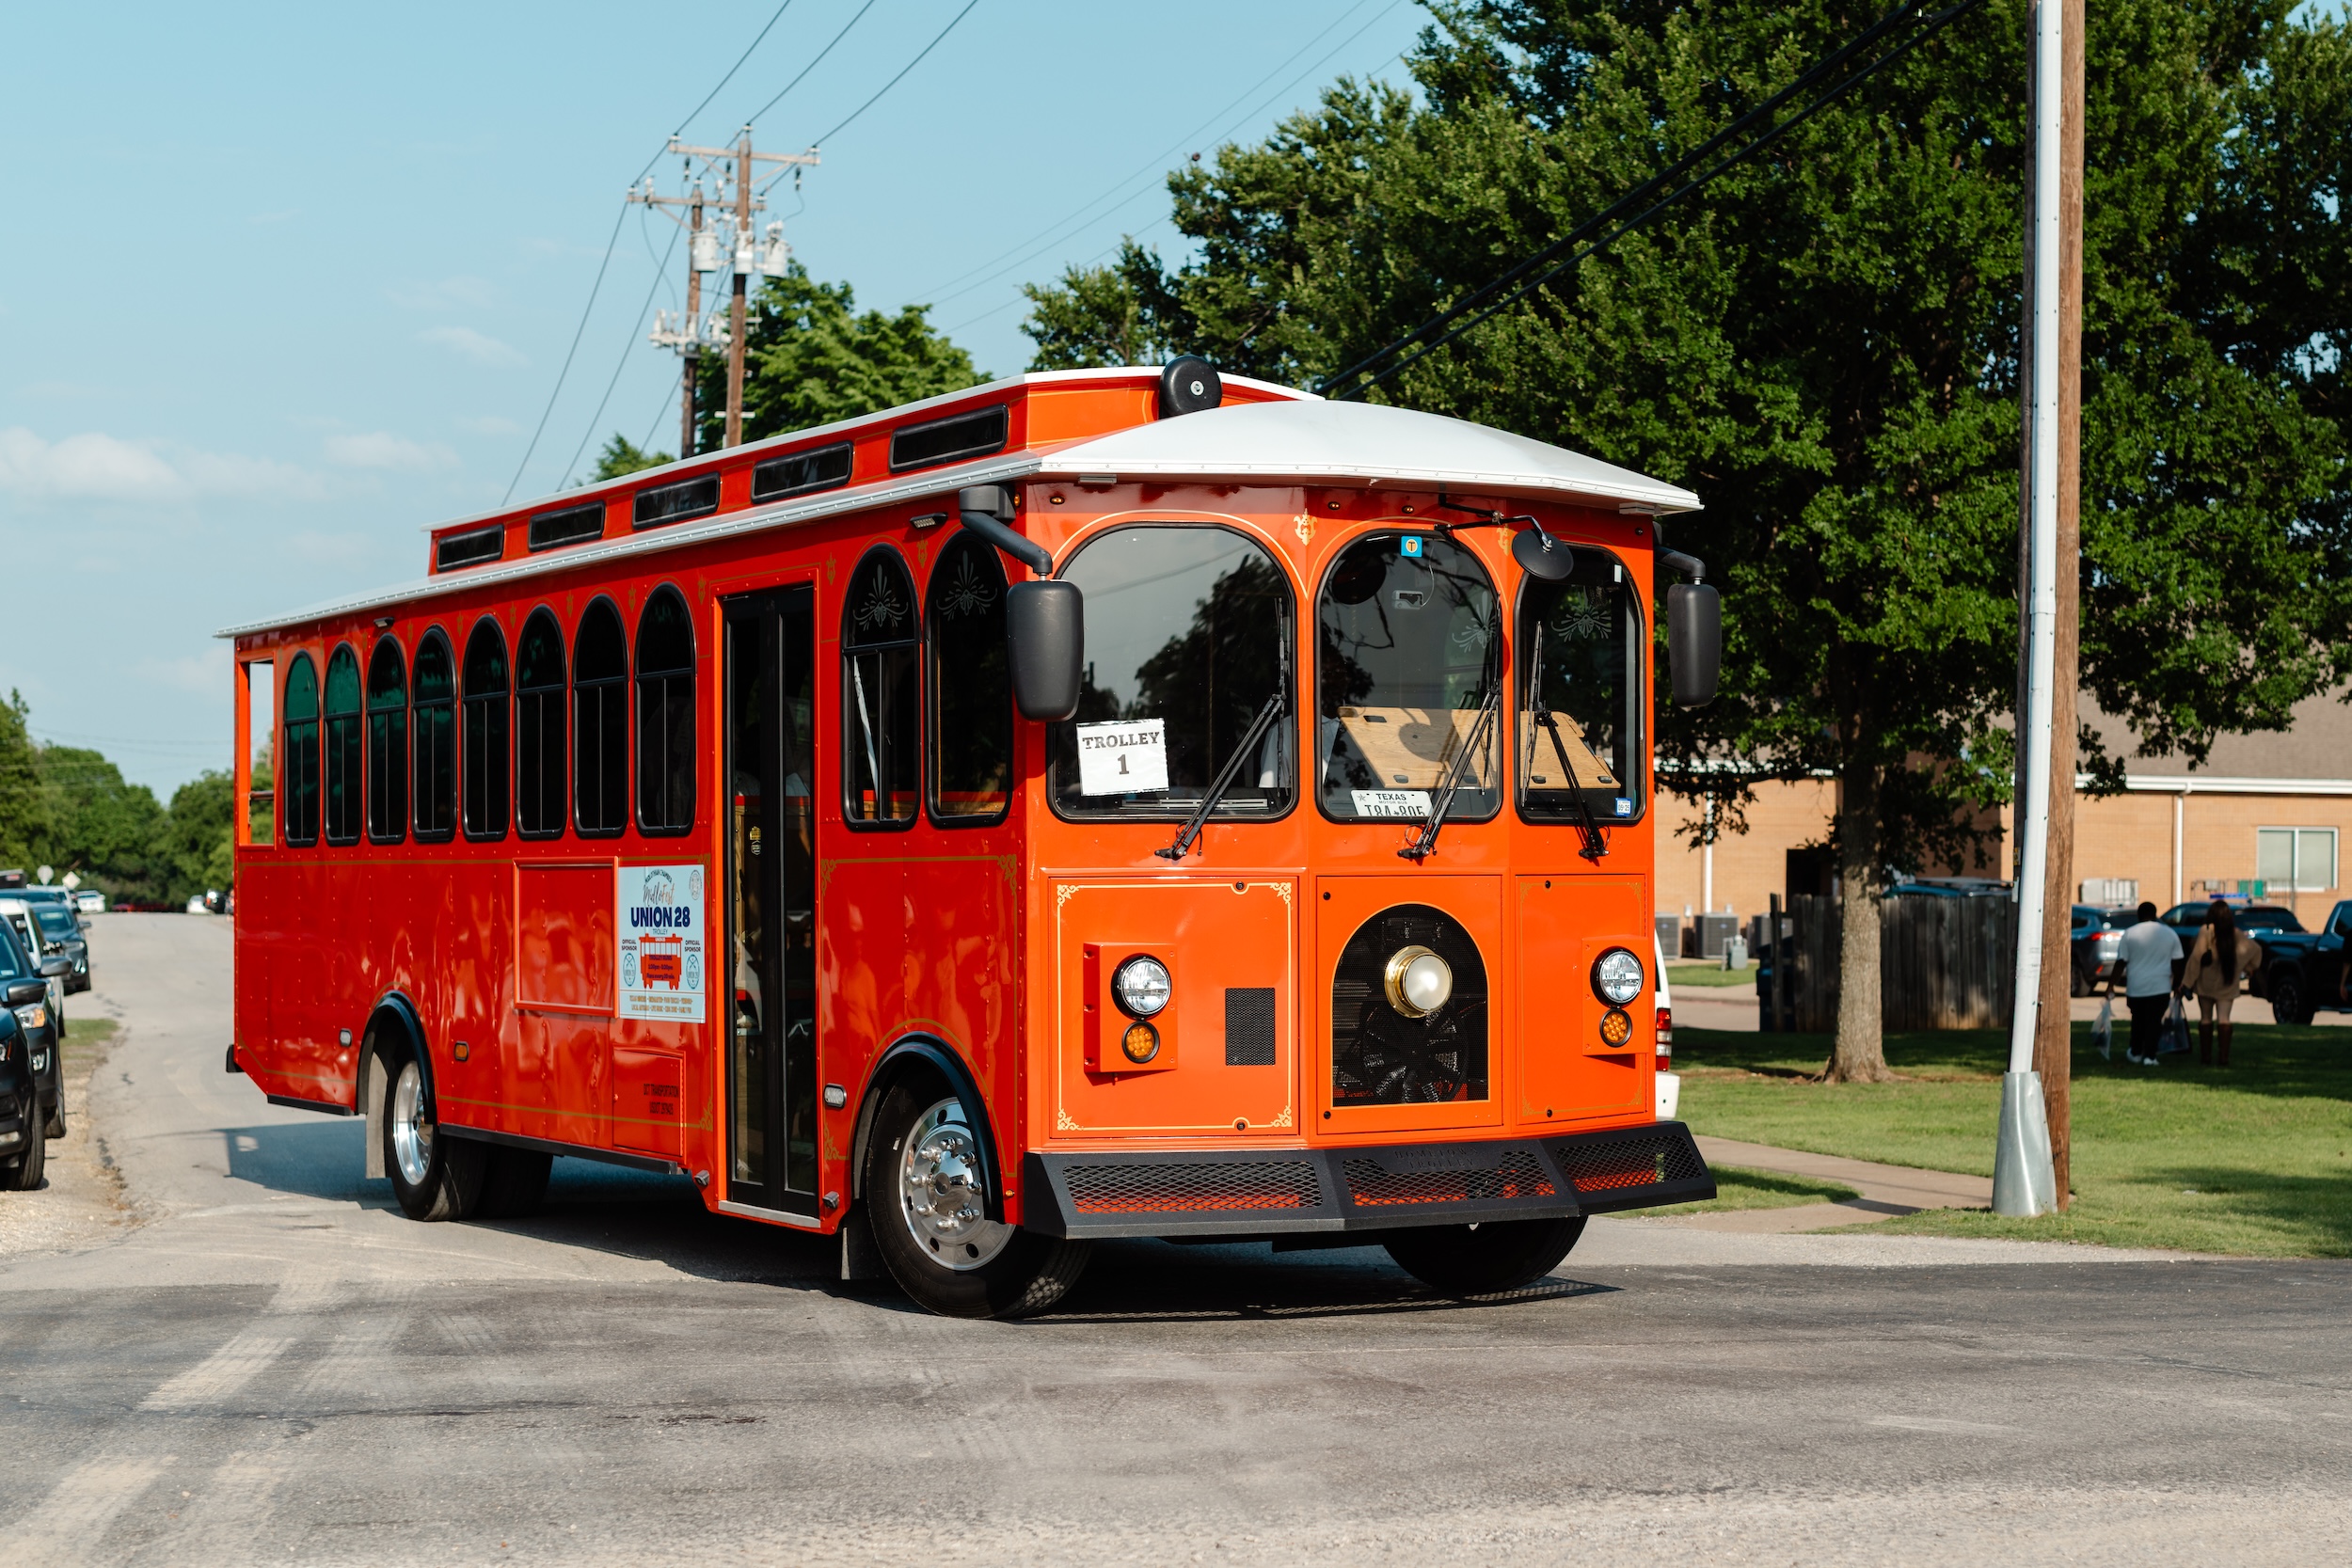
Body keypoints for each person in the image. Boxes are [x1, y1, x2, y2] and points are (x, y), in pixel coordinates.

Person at [2105, 900, 2185, 1067]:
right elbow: (2177, 962)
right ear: (2155, 914)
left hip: (2136, 987)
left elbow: (2121, 962)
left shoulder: (2130, 933)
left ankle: (2135, 1051)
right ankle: (2150, 1055)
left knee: (2138, 1021)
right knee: (2154, 1021)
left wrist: (2111, 984)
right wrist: (2177, 984)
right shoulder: (2169, 933)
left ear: (2139, 915)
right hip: (2161, 986)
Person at [2179, 899, 2255, 1068]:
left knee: (2205, 1018)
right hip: (2227, 982)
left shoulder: (2206, 931)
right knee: (2224, 1019)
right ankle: (2223, 1058)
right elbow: (2254, 951)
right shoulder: (2235, 933)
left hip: (2206, 981)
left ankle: (2206, 1057)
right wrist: (2249, 967)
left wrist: (2187, 982)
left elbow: (2196, 958)